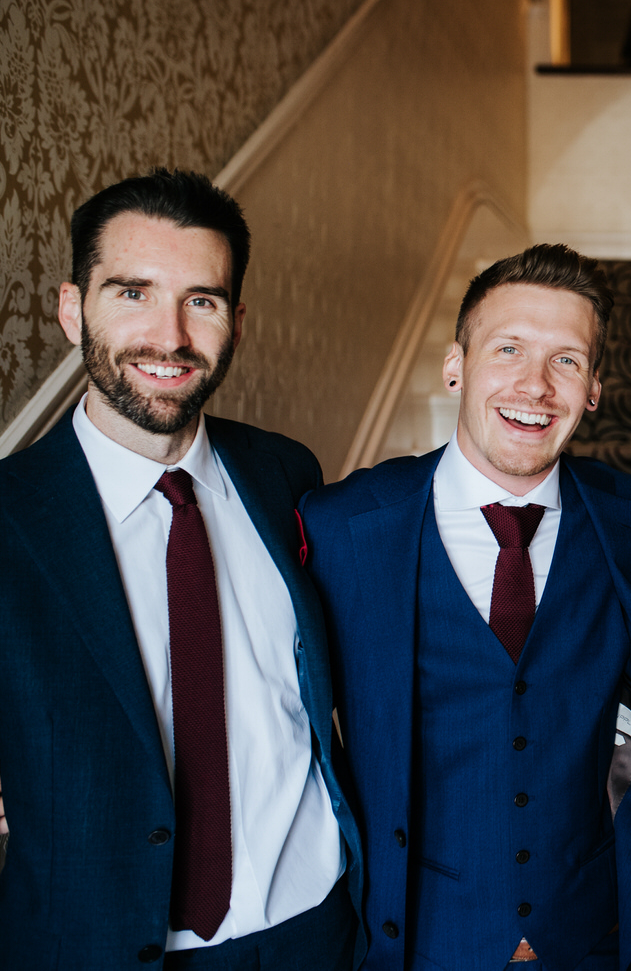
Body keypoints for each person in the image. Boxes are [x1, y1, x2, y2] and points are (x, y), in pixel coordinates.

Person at [297, 244, 631, 971]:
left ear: (596, 389)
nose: (536, 386)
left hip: (591, 933)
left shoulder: (625, 515)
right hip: (417, 938)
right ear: (455, 365)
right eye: (509, 348)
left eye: (567, 361)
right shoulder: (342, 528)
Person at [0, 169, 362, 969]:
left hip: (315, 927)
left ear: (236, 322)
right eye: (132, 293)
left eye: (200, 301)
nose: (169, 336)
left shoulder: (287, 475)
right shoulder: (10, 519)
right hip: (98, 943)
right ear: (72, 309)